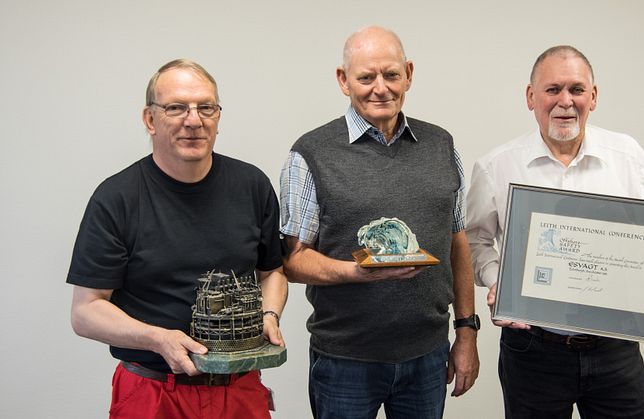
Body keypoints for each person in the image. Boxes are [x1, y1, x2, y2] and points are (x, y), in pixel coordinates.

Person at [466, 45, 644, 419]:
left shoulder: (627, 155)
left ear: (594, 96)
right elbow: (475, 241)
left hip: (615, 349)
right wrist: (500, 283)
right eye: (553, 89)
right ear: (531, 97)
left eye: (576, 89)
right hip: (533, 350)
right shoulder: (496, 166)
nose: (565, 101)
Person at [67, 59, 288, 419]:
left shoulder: (253, 186)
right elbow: (86, 312)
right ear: (150, 120)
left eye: (206, 107)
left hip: (239, 388)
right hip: (153, 393)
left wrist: (269, 314)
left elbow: (272, 272)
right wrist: (158, 338)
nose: (194, 120)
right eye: (176, 108)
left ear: (218, 116)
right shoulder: (116, 198)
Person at [280, 26, 479, 419]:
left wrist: (467, 332)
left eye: (391, 75)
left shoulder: (441, 145)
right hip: (346, 361)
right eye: (366, 77)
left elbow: (457, 242)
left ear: (408, 72)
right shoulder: (310, 153)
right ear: (343, 80)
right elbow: (293, 260)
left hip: (428, 353)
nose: (380, 88)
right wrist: (356, 272)